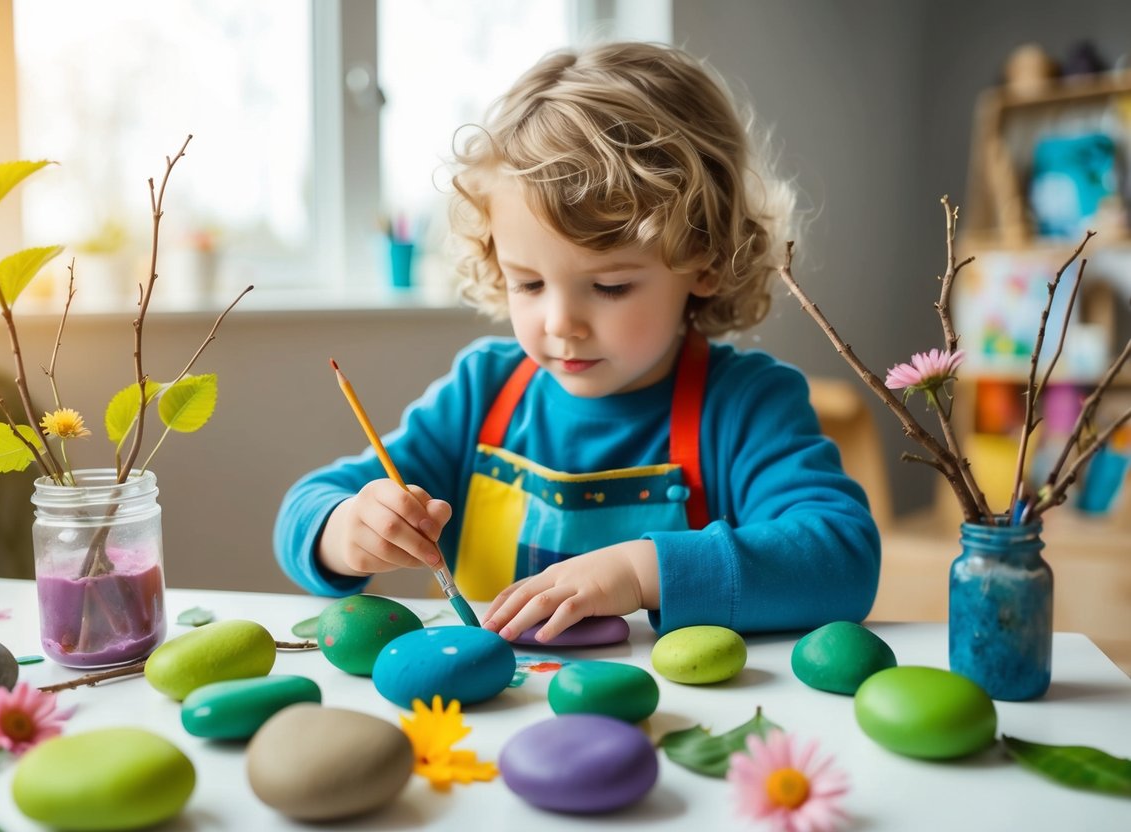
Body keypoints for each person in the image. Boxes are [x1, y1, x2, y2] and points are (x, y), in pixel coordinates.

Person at [275, 41, 880, 643]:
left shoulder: (746, 405)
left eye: (610, 286)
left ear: (705, 262)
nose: (561, 322)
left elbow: (842, 556)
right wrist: (347, 530)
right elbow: (305, 506)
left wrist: (639, 571)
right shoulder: (483, 392)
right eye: (529, 283)